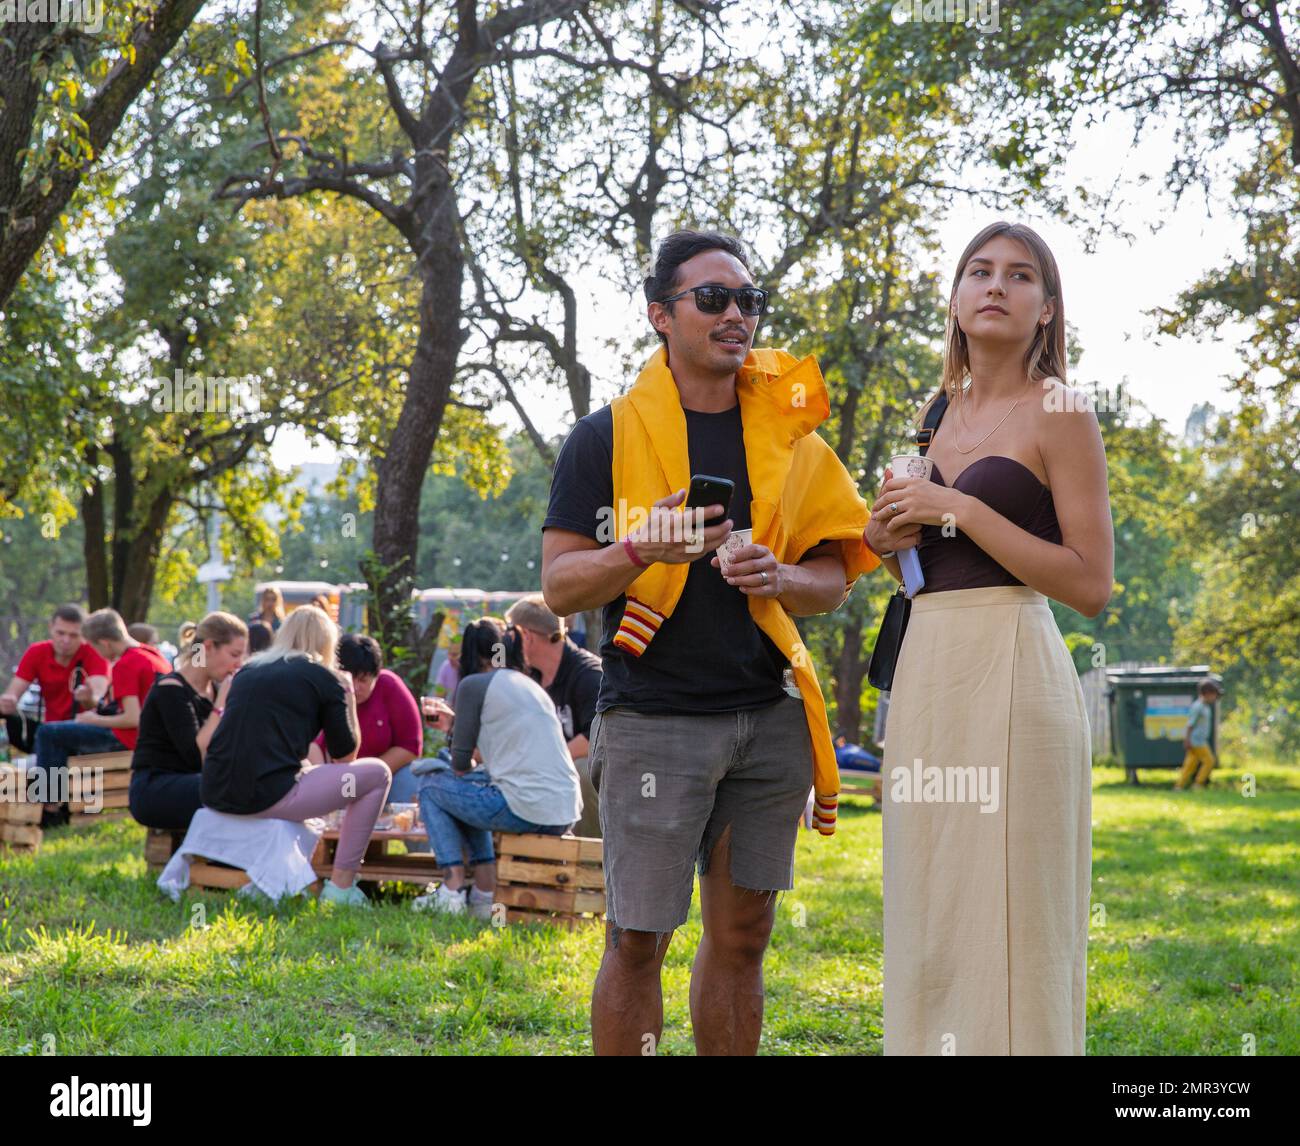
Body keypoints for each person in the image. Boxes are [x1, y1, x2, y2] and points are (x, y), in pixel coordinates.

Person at [541, 229, 880, 1056]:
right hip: (654, 718)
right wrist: (638, 550)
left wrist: (780, 578)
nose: (737, 315)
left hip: (766, 721)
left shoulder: (792, 437)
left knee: (744, 937)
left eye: (749, 301)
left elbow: (834, 578)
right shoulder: (605, 437)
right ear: (661, 314)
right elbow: (557, 586)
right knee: (637, 940)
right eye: (713, 299)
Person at [866, 221, 1113, 1056]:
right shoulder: (937, 411)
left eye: (1019, 275)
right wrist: (888, 533)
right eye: (979, 272)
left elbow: (1089, 584)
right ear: (958, 299)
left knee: (1014, 905)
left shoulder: (1063, 412)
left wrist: (960, 508)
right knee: (934, 899)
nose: (996, 286)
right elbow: (915, 558)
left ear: (1047, 309)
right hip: (929, 667)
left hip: (1013, 664)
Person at [200, 605, 390, 907]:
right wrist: (348, 694)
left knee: (302, 767)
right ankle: (341, 887)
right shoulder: (324, 678)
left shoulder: (248, 671)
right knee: (378, 774)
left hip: (215, 790)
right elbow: (346, 755)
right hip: (266, 796)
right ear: (328, 642)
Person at [413, 617, 582, 920]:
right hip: (563, 810)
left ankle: (451, 890)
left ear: (468, 653)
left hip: (524, 807)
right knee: (469, 792)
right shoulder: (527, 685)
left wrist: (452, 733)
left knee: (430, 785)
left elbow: (461, 763)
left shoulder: (473, 685)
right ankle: (482, 896)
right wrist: (456, 724)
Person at [27, 608, 171, 824]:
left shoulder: (125, 664)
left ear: (104, 643)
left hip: (132, 737)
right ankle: (63, 800)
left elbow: (133, 718)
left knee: (49, 732)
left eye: (93, 647)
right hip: (156, 736)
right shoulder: (152, 654)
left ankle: (50, 809)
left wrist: (94, 719)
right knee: (62, 733)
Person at [129, 614, 248, 829]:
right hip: (155, 788)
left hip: (196, 783)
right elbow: (194, 755)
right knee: (231, 787)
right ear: (209, 647)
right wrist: (220, 706)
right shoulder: (171, 689)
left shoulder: (216, 690)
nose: (238, 664)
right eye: (234, 654)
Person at [506, 594, 604, 837]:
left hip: (603, 771)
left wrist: (547, 762)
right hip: (552, 766)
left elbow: (596, 738)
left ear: (525, 636)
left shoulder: (589, 674)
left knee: (580, 772)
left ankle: (589, 862)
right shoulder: (530, 677)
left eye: (510, 634)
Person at [307, 633, 423, 802]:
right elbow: (313, 744)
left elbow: (410, 746)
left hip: (386, 773)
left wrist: (368, 777)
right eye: (349, 678)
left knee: (409, 777)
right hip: (342, 777)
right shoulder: (328, 689)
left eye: (363, 680)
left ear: (376, 676)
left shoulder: (389, 686)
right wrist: (325, 785)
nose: (355, 687)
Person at [0, 604, 109, 755]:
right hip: (46, 729)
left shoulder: (94, 653)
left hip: (82, 730)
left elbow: (99, 699)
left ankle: (46, 773)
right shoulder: (37, 652)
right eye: (60, 633)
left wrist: (89, 698)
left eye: (73, 635)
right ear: (50, 627)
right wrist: (8, 701)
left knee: (51, 734)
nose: (65, 640)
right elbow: (12, 693)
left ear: (84, 634)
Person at [1174, 678, 1223, 790]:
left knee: (1190, 764)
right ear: (1207, 693)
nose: (1215, 698)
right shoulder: (1198, 707)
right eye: (1214, 694)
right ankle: (1198, 783)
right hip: (1197, 741)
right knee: (1210, 761)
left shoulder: (1205, 706)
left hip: (1198, 740)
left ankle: (1179, 786)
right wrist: (1187, 739)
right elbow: (1190, 724)